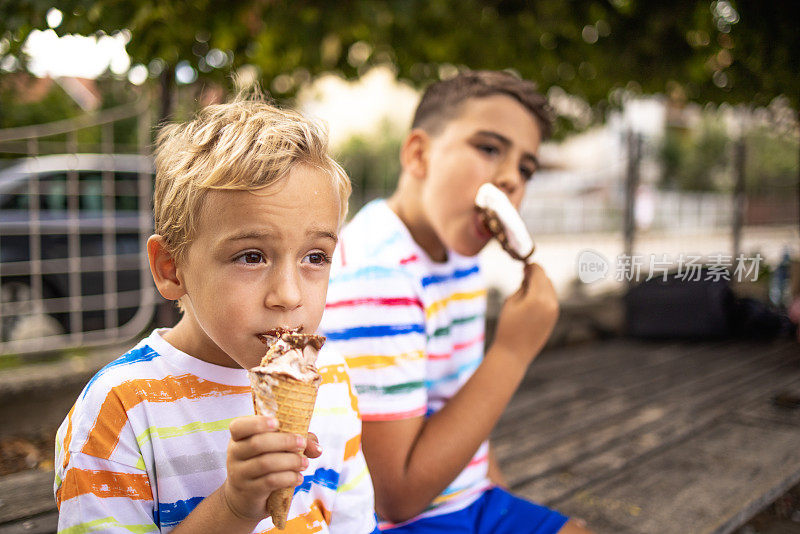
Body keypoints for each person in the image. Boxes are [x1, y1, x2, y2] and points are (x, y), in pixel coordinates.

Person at [54, 98, 378, 533]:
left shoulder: (332, 383)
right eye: (251, 256)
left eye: (314, 256)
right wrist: (234, 508)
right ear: (171, 269)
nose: (288, 294)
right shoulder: (121, 411)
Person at [320, 71, 592, 533]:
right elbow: (395, 498)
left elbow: (462, 406)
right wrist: (512, 353)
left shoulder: (460, 259)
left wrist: (498, 498)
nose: (510, 179)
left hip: (466, 501)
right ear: (419, 155)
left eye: (526, 169)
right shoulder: (378, 272)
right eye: (489, 148)